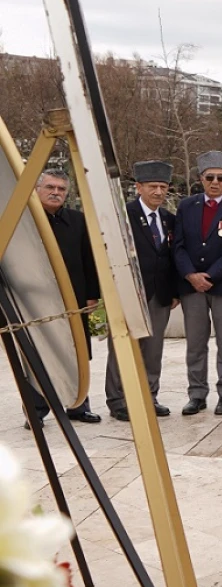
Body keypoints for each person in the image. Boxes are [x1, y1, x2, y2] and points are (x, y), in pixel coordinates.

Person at [173, 151, 222, 416]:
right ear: (200, 179)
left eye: (221, 178)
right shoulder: (186, 206)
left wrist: (211, 275)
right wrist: (191, 275)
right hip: (191, 286)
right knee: (195, 342)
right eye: (209, 177)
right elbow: (178, 246)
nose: (215, 182)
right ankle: (197, 394)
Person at [104, 161, 179, 421]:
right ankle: (118, 400)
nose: (158, 192)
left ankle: (149, 396)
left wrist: (175, 291)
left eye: (163, 187)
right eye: (152, 186)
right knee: (122, 347)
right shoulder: (123, 216)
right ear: (139, 187)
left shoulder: (169, 219)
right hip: (128, 293)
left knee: (154, 349)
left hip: (160, 295)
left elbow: (172, 257)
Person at [29, 169, 100, 423]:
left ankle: (78, 406)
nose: (56, 193)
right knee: (37, 354)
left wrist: (92, 294)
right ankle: (36, 410)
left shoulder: (78, 220)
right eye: (50, 187)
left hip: (74, 299)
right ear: (37, 189)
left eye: (61, 189)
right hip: (35, 300)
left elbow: (88, 259)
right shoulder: (24, 220)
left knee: (76, 352)